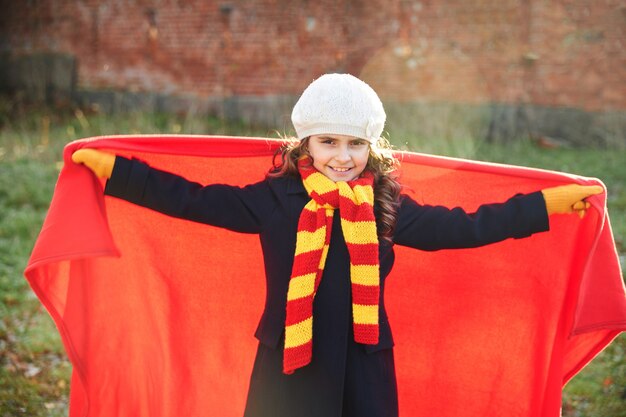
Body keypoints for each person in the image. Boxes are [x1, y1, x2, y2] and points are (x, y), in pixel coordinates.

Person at [71, 73, 602, 417]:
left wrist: (544, 206)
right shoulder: (276, 199)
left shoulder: (385, 206)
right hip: (289, 363)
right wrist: (117, 173)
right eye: (328, 142)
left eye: (355, 144)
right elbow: (193, 199)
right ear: (305, 143)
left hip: (364, 362)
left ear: (373, 147)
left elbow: (463, 226)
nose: (342, 157)